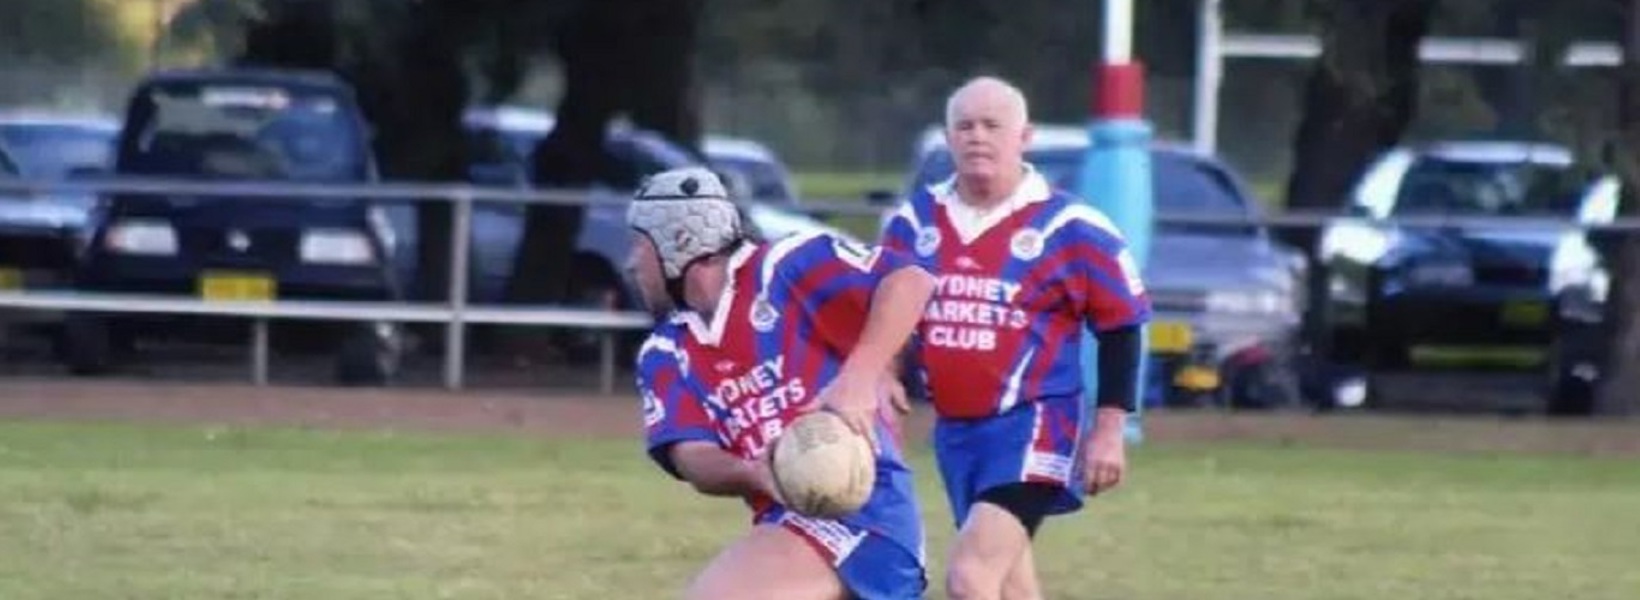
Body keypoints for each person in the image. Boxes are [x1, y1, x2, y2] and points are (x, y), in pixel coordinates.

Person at [879, 76, 1152, 599]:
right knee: (1010, 584)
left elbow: (1121, 326)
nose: (977, 136)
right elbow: (886, 307)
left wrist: (1110, 429)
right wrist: (885, 371)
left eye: (992, 125)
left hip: (1035, 423)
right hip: (957, 429)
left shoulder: (1072, 227)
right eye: (965, 125)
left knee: (970, 576)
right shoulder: (915, 221)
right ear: (948, 136)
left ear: (1024, 137)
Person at [628, 166, 936, 600]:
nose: (632, 262)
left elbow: (910, 281)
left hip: (868, 517)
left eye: (641, 246)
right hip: (787, 519)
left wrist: (860, 378)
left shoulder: (785, 266)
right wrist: (753, 472)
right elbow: (690, 455)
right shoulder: (664, 351)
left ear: (679, 244)